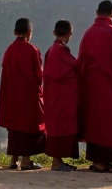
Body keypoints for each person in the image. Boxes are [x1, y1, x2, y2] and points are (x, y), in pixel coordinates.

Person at [77, 0, 112, 173]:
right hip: (108, 84)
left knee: (95, 120)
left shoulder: (88, 32)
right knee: (111, 119)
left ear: (97, 12)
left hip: (90, 84)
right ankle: (104, 162)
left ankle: (97, 160)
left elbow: (81, 60)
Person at [0, 18, 46, 171]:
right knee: (28, 126)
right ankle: (26, 161)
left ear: (14, 32)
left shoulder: (9, 50)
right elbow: (39, 77)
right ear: (29, 33)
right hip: (28, 96)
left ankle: (14, 160)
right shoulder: (32, 50)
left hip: (11, 95)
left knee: (14, 126)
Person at [43, 20, 79, 172]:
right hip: (62, 97)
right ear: (70, 34)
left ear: (54, 32)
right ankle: (56, 162)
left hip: (53, 95)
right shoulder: (61, 51)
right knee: (61, 127)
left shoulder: (51, 50)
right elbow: (76, 67)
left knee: (57, 126)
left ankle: (59, 161)